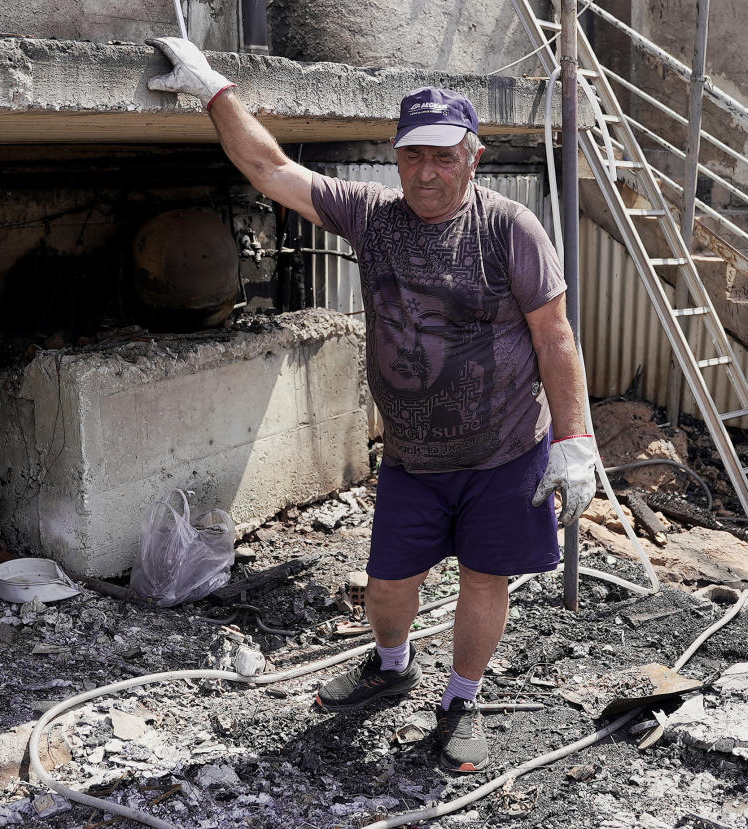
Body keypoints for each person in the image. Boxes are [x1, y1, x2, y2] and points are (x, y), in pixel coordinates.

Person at [147, 37, 598, 773]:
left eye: (444, 156)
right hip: (415, 459)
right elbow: (271, 170)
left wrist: (575, 439)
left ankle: (462, 699)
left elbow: (555, 337)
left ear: (473, 156)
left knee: (485, 582)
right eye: (413, 156)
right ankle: (391, 666)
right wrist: (212, 90)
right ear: (396, 158)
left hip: (505, 451)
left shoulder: (509, 228)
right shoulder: (373, 218)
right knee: (388, 586)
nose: (427, 171)